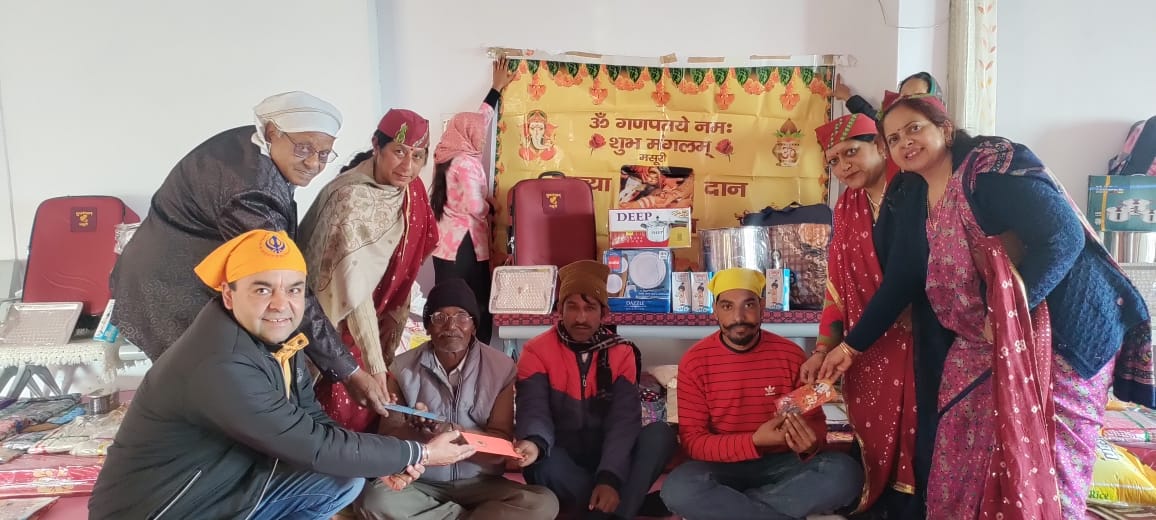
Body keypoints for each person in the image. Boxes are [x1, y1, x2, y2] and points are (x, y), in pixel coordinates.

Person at [819, 94, 1154, 519]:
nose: (906, 142)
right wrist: (850, 348)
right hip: (982, 335)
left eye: (914, 128)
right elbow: (903, 278)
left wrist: (1008, 315)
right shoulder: (911, 193)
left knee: (1046, 462)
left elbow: (1063, 238)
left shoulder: (989, 169)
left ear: (944, 129)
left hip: (1061, 334)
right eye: (895, 137)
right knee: (957, 445)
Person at [90, 230, 476, 519]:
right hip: (162, 507)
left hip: (222, 483)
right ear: (229, 295)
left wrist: (387, 462)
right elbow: (314, 445)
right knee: (337, 470)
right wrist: (422, 452)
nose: (281, 305)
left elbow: (315, 422)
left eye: (293, 290)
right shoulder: (220, 362)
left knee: (343, 480)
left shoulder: (280, 339)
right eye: (262, 290)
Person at [109, 91, 389, 411]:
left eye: (324, 154)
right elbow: (281, 282)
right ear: (271, 132)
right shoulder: (252, 191)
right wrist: (348, 371)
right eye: (303, 148)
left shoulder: (258, 146)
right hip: (170, 290)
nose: (313, 163)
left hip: (179, 272)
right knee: (213, 392)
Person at [799, 113, 952, 518]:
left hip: (925, 339)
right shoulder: (846, 207)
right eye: (834, 160)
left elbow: (930, 270)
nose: (843, 166)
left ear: (881, 147)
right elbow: (837, 288)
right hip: (867, 346)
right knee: (874, 434)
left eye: (851, 152)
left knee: (925, 437)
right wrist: (824, 348)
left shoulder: (918, 190)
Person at [660, 268, 862, 520]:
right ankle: (774, 510)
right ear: (715, 310)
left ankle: (733, 509)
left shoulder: (790, 355)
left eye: (748, 305)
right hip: (721, 467)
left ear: (762, 306)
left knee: (844, 473)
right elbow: (694, 442)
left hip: (783, 464)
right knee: (679, 489)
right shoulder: (695, 362)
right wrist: (754, 441)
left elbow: (816, 425)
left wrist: (810, 444)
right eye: (727, 306)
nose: (738, 317)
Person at [357, 279, 559, 519]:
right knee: (374, 500)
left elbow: (500, 447)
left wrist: (456, 432)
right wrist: (415, 431)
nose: (451, 326)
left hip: (482, 483)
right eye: (439, 317)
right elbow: (388, 439)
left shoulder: (501, 368)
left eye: (462, 317)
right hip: (421, 482)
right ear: (428, 327)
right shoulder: (401, 368)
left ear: (474, 326)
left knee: (543, 503)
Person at [298, 108, 439, 433]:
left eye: (418, 156)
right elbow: (353, 289)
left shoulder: (413, 189)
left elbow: (422, 244)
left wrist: (391, 290)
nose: (408, 166)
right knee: (336, 406)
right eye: (399, 152)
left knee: (374, 409)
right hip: (337, 316)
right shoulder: (349, 200)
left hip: (382, 315)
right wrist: (375, 364)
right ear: (377, 145)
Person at [513, 260, 678, 519]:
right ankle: (627, 506)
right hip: (562, 456)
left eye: (590, 308)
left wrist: (609, 478)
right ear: (560, 310)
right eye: (572, 307)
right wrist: (534, 443)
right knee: (543, 463)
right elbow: (533, 409)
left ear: (604, 313)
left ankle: (608, 505)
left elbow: (623, 420)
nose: (580, 318)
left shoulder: (621, 352)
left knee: (660, 435)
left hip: (610, 456)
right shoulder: (536, 351)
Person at [429, 58, 516, 345]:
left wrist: (495, 89)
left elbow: (480, 120)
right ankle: (477, 355)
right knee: (474, 304)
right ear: (468, 135)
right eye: (478, 136)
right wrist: (493, 205)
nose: (482, 139)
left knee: (448, 304)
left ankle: (450, 350)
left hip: (446, 247)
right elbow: (475, 206)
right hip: (465, 247)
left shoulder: (445, 154)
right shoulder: (466, 163)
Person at [833, 71, 942, 120]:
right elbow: (873, 118)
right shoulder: (891, 124)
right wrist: (846, 96)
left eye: (914, 98)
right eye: (902, 96)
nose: (902, 102)